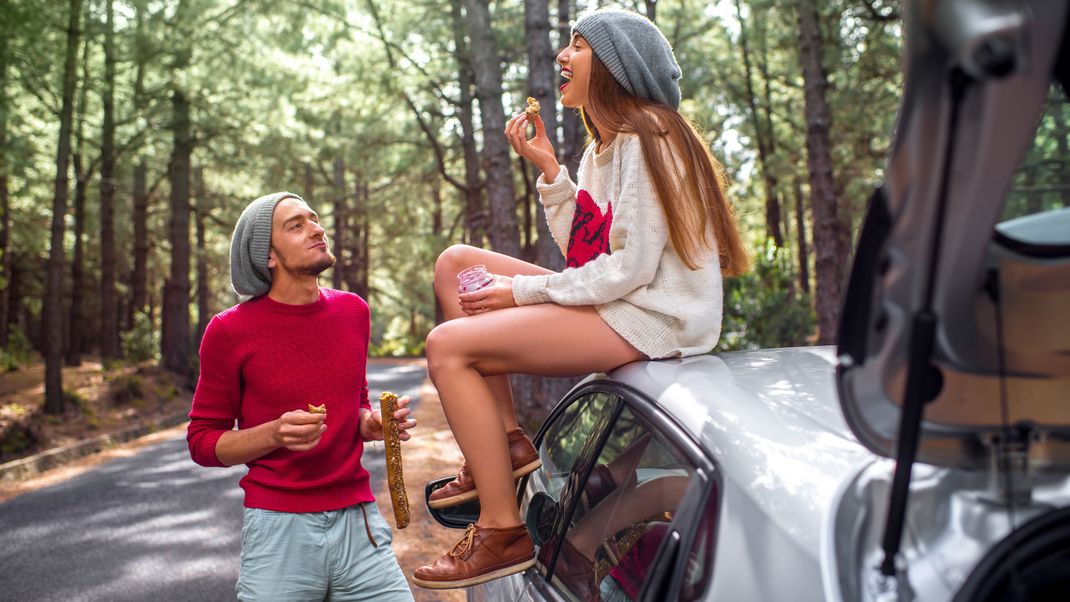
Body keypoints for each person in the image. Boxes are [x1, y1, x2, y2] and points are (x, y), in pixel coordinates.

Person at [413, 8, 748, 590]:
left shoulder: (652, 136)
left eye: (578, 45)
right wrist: (551, 174)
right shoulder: (603, 151)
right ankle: (511, 440)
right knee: (456, 265)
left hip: (654, 322)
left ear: (618, 63)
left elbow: (630, 271)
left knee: (447, 348)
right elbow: (589, 257)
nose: (561, 57)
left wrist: (520, 293)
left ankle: (501, 528)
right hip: (621, 304)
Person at [187, 192, 417, 601]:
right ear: (267, 255)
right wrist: (274, 434)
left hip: (360, 523)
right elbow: (203, 442)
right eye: (296, 225)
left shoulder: (353, 312)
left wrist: (372, 424)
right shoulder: (228, 331)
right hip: (278, 530)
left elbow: (357, 402)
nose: (316, 228)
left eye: (314, 219)